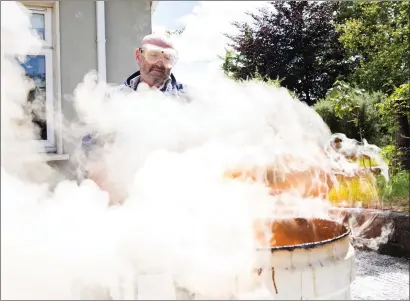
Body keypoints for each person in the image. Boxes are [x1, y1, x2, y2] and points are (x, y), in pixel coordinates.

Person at [80, 33, 186, 201]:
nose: (160, 63)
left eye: (168, 58)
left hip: (173, 199)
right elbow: (92, 149)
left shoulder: (188, 100)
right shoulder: (111, 99)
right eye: (153, 55)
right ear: (139, 55)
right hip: (123, 199)